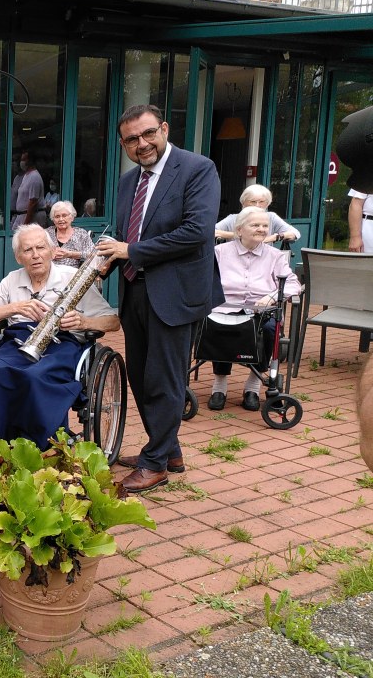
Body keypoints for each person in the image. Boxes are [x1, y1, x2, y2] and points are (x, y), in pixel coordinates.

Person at [97, 104, 223, 494]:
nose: (142, 143)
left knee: (165, 378)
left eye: (148, 133)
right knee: (139, 374)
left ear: (164, 128)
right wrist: (100, 264)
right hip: (135, 289)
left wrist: (130, 251)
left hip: (176, 292)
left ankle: (156, 464)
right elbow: (124, 235)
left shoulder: (197, 168)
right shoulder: (126, 181)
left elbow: (196, 232)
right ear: (123, 144)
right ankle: (168, 451)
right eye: (132, 139)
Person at [0, 224, 118, 462]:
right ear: (19, 257)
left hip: (61, 344)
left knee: (33, 377)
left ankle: (36, 451)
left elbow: (112, 322)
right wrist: (16, 307)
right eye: (28, 250)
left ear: (52, 251)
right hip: (18, 340)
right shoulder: (13, 279)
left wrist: (83, 320)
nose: (35, 254)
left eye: (41, 247)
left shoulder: (74, 278)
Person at [205, 206, 301, 412]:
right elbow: (202, 280)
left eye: (265, 225)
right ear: (239, 230)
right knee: (218, 328)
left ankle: (253, 385)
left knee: (269, 330)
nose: (261, 229)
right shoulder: (219, 252)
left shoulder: (275, 256)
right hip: (223, 309)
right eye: (255, 225)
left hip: (261, 312)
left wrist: (272, 296)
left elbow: (293, 285)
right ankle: (219, 385)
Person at [214, 184, 300, 244]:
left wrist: (273, 238)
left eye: (261, 201)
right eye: (253, 201)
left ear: (267, 203)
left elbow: (295, 233)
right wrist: (239, 235)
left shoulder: (271, 217)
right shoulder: (233, 219)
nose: (257, 205)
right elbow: (211, 232)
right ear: (243, 203)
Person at [46, 201, 94, 268]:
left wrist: (70, 254)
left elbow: (93, 254)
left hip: (73, 275)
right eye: (57, 216)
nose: (61, 219)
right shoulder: (47, 233)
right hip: (50, 274)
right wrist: (49, 253)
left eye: (64, 215)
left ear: (72, 217)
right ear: (53, 219)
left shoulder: (81, 234)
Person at [11, 151, 45, 228]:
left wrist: (26, 223)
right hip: (21, 215)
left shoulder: (34, 177)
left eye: (24, 159)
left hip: (30, 217)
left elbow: (33, 202)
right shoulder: (26, 175)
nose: (21, 162)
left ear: (30, 161)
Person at [348, 188, 373, 254]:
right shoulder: (367, 177)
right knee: (366, 262)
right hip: (370, 227)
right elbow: (356, 204)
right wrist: (355, 237)